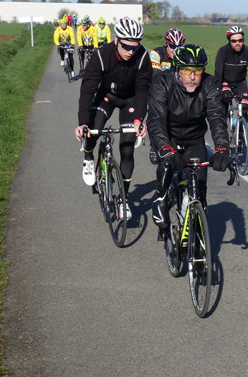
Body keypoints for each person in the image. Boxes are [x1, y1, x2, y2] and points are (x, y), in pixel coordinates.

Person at [74, 17, 152, 221]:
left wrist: (139, 120)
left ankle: (124, 199)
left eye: (135, 47)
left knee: (127, 149)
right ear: (116, 40)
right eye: (126, 46)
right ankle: (89, 157)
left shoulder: (143, 57)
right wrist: (83, 122)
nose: (131, 52)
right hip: (106, 96)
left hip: (130, 100)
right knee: (92, 129)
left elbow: (143, 91)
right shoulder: (101, 56)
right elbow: (87, 90)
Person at [147, 44, 231, 229]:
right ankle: (161, 199)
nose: (193, 77)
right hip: (168, 137)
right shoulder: (162, 82)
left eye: (198, 71)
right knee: (166, 170)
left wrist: (222, 149)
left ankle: (199, 237)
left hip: (194, 139)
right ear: (177, 70)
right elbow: (156, 120)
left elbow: (217, 118)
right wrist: (165, 150)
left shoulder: (210, 84)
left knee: (200, 190)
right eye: (187, 71)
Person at [147, 28, 186, 164]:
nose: (176, 50)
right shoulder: (156, 54)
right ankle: (154, 145)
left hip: (175, 90)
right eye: (172, 46)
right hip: (156, 89)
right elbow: (156, 77)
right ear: (166, 45)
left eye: (179, 46)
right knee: (155, 115)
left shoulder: (183, 55)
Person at [214, 26, 248, 123]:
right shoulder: (223, 52)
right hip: (226, 82)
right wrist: (217, 90)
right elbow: (218, 73)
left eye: (240, 40)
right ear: (229, 41)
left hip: (240, 83)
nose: (237, 43)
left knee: (244, 109)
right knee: (223, 107)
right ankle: (223, 129)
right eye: (234, 41)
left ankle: (242, 131)